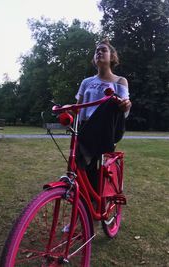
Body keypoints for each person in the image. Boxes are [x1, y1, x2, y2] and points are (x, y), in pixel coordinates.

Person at [75, 38, 132, 192]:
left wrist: (126, 104)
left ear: (112, 57)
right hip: (86, 128)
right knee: (83, 176)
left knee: (111, 101)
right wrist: (68, 108)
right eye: (96, 51)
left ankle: (87, 150)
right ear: (94, 59)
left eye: (103, 50)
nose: (99, 52)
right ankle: (84, 204)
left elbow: (124, 111)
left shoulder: (120, 81)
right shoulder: (86, 82)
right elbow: (78, 107)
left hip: (110, 130)